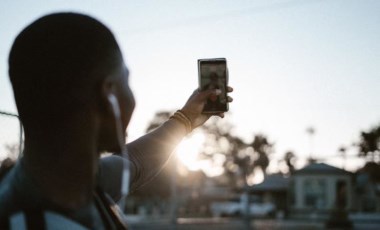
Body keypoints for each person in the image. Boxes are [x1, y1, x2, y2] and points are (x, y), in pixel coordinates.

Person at [0, 12, 233, 229]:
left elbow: (137, 160)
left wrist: (186, 119)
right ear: (107, 93)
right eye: (127, 81)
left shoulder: (78, 182)